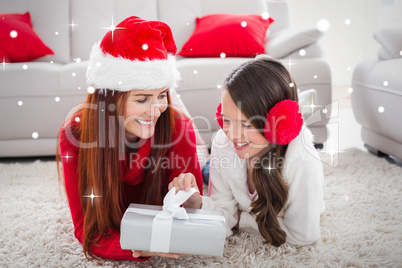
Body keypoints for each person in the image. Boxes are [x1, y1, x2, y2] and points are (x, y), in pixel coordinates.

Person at [57, 16, 203, 262]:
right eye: (142, 99)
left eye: (162, 95)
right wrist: (138, 245)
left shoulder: (179, 128)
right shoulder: (76, 136)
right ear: (109, 99)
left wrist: (193, 201)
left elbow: (189, 217)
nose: (156, 109)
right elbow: (88, 232)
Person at [170, 55, 325, 247]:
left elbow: (303, 236)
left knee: (207, 170)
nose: (233, 135)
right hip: (237, 156)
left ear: (279, 124)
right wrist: (197, 204)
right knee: (206, 170)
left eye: (246, 124)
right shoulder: (223, 141)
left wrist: (241, 218)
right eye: (226, 120)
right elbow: (224, 215)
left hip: (271, 154)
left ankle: (298, 104)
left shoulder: (303, 162)